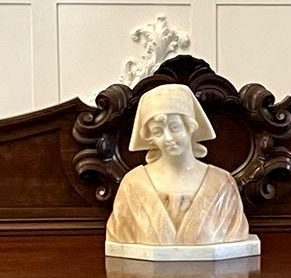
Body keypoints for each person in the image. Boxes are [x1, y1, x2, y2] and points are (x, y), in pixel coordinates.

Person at [105, 84, 257, 254]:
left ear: (190, 127)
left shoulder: (222, 184)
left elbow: (234, 236)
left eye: (175, 127)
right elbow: (120, 235)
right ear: (150, 137)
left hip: (212, 277)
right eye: (158, 131)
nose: (168, 138)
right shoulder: (133, 184)